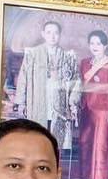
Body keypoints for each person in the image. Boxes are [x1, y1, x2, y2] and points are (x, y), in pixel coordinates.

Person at [13, 20, 80, 161]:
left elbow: (76, 82)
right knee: (36, 140)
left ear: (60, 35)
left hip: (59, 105)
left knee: (56, 143)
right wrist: (21, 102)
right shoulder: (33, 54)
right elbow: (23, 78)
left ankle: (54, 168)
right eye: (49, 32)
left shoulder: (68, 56)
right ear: (43, 34)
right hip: (38, 101)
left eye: (56, 33)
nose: (52, 36)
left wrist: (73, 103)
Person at [78, 29, 108, 179]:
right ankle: (88, 175)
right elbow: (81, 85)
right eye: (92, 43)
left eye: (98, 43)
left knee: (100, 144)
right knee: (85, 142)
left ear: (105, 46)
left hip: (104, 110)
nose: (95, 46)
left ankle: (100, 178)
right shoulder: (85, 63)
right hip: (87, 108)